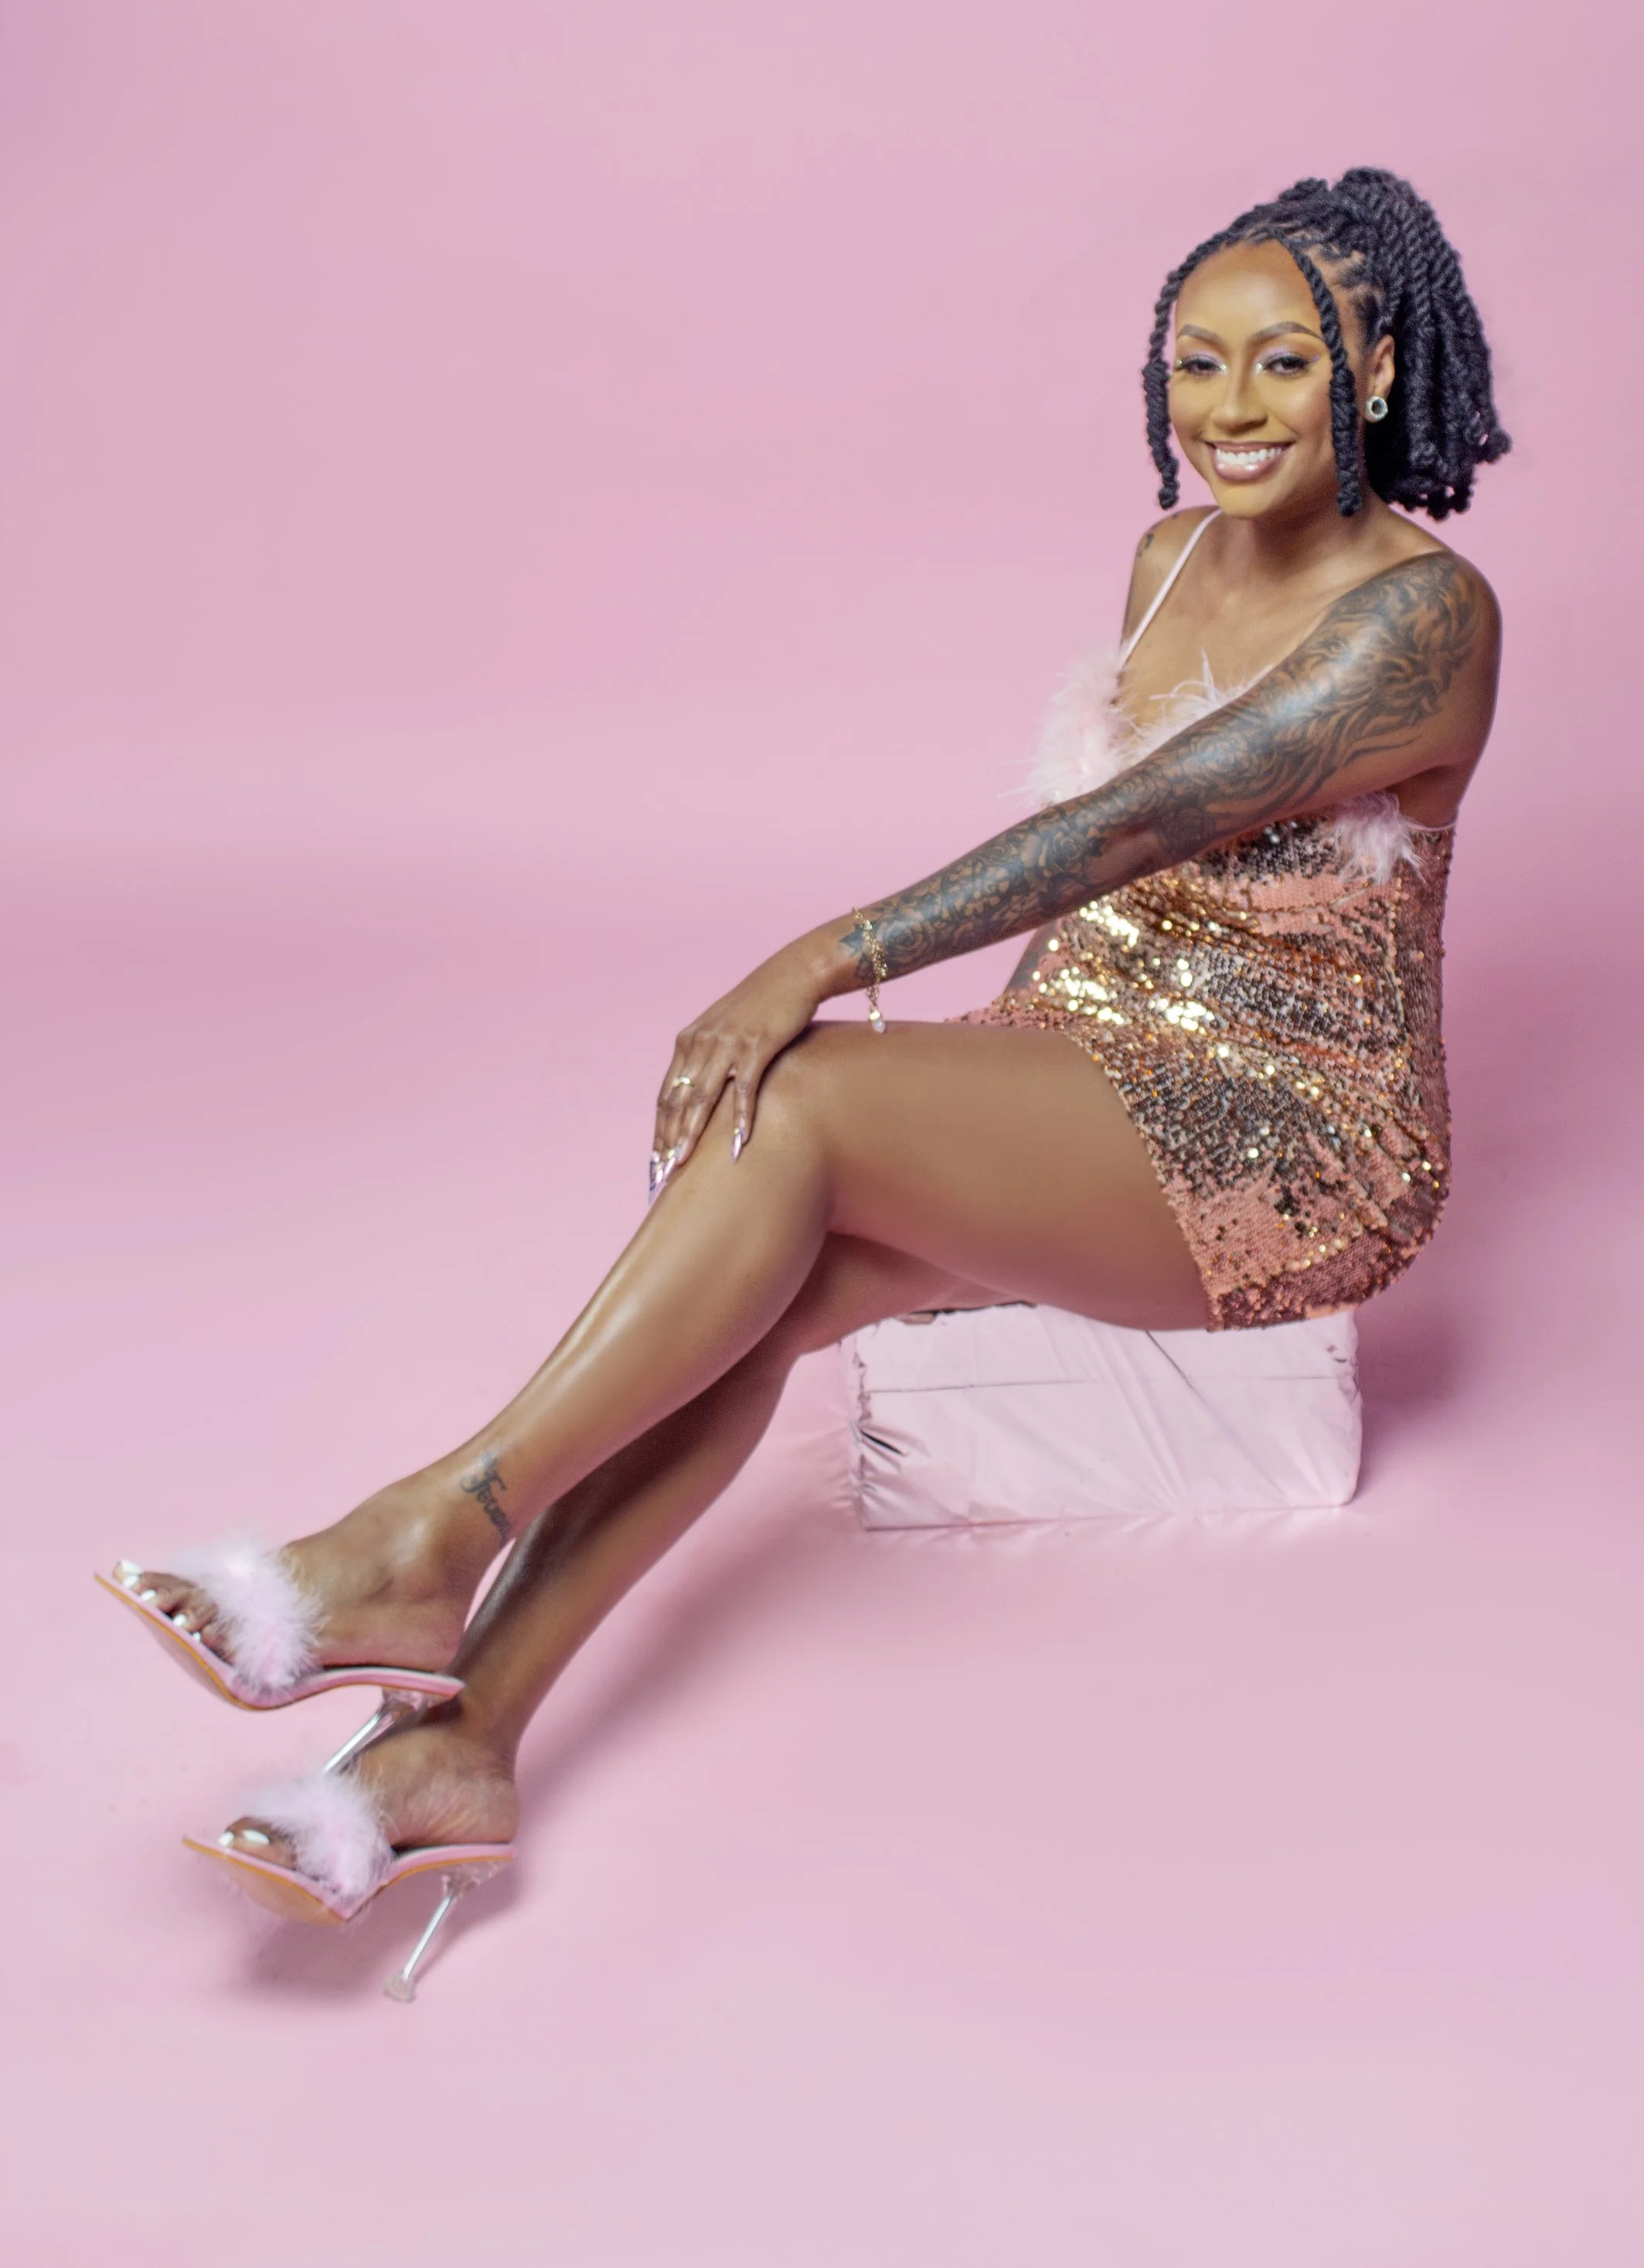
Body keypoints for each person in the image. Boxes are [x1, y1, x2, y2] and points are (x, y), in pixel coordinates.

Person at [103, 165, 1507, 1988]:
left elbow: (1138, 820)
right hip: (1101, 1067)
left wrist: (823, 960)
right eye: (1193, 364)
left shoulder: (1425, 622)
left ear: (1376, 368)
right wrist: (989, 1094)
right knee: (755, 1293)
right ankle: (455, 1748)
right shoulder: (1166, 559)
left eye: (1283, 367)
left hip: (1296, 1142)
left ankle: (425, 1529)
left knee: (812, 1094)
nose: (1228, 411)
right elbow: (1126, 923)